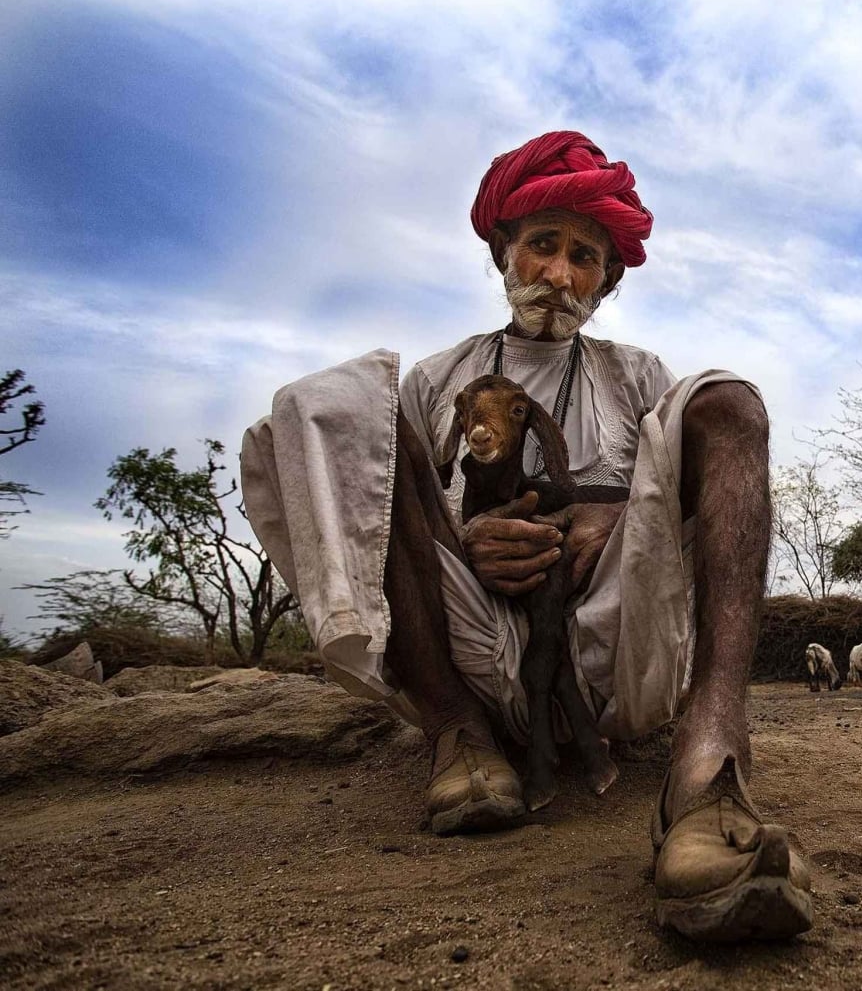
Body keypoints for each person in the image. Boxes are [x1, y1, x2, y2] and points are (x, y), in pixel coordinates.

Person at [240, 130, 812, 941]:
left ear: (607, 282)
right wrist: (470, 534)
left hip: (617, 641)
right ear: (501, 248)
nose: (559, 274)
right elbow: (396, 524)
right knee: (331, 403)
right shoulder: (437, 380)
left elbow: (661, 501)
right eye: (542, 244)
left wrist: (611, 515)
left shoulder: (635, 374)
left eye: (585, 258)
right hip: (467, 643)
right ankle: (457, 737)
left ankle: (710, 757)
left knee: (729, 403)